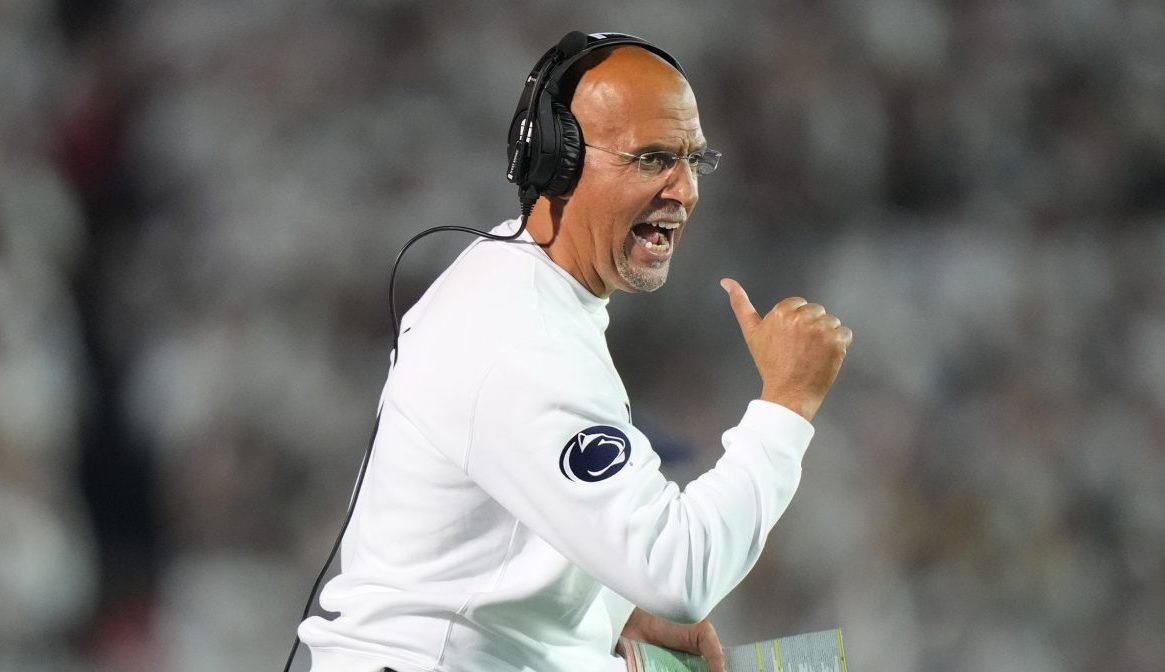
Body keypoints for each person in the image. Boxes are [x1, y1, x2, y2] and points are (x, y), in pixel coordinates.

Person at [296, 31, 851, 672]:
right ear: (557, 165)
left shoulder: (518, 283)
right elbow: (680, 573)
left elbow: (500, 532)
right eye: (651, 159)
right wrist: (787, 402)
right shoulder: (521, 339)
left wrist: (607, 611)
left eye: (693, 161)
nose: (685, 190)